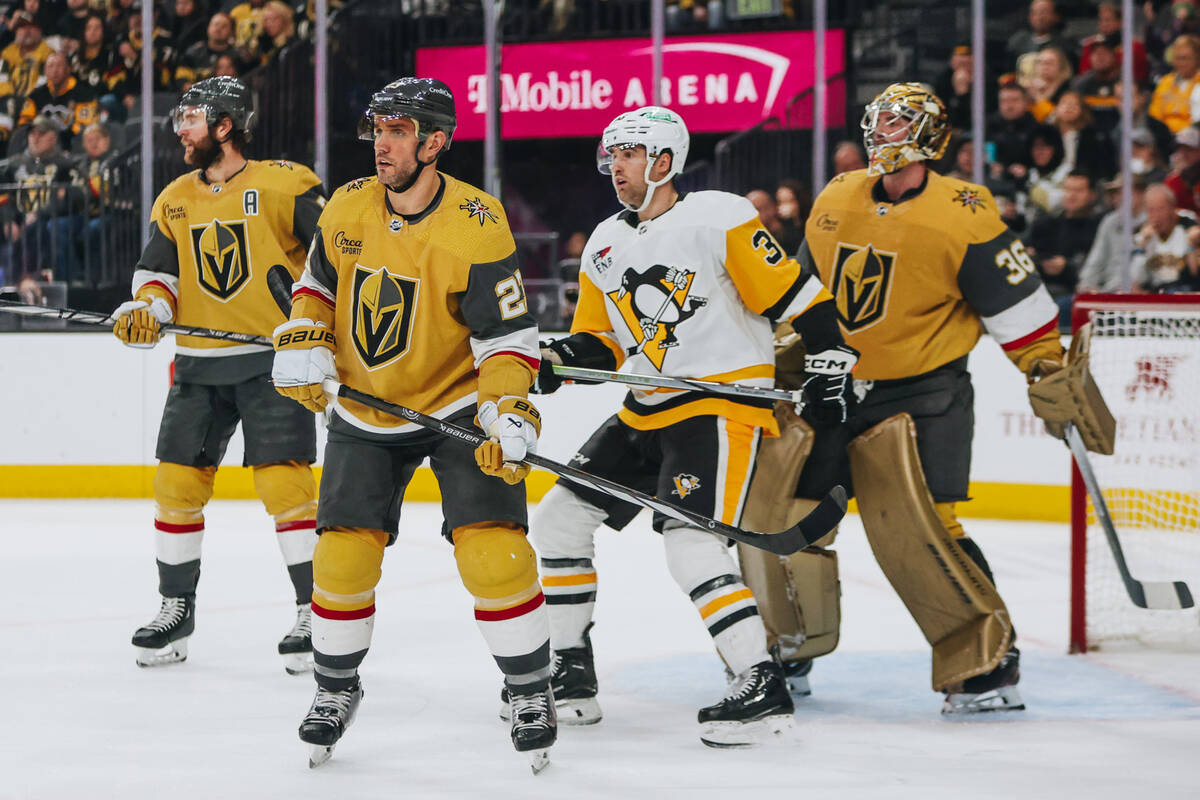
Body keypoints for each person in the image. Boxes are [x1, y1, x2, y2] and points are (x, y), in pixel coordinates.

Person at [741, 83, 1106, 716]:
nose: (884, 131)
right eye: (880, 119)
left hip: (923, 392)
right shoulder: (835, 196)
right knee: (785, 516)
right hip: (831, 387)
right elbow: (800, 294)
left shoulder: (965, 212)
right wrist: (777, 354)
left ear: (931, 139)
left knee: (924, 526)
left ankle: (985, 662)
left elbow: (1021, 314)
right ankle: (789, 649)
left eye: (900, 122)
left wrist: (1043, 367)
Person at [527, 105, 854, 747]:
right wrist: (558, 359)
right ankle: (570, 676)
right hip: (648, 404)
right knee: (560, 519)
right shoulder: (604, 241)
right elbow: (601, 341)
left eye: (628, 153)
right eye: (610, 154)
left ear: (664, 161)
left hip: (719, 405)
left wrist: (829, 358)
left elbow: (795, 296)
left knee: (691, 543)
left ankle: (760, 683)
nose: (614, 165)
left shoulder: (719, 216)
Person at [269, 77, 556, 771]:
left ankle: (529, 690)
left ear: (434, 142)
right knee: (340, 559)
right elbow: (315, 289)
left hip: (457, 407)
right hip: (366, 408)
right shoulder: (345, 206)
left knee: (494, 554)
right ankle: (335, 690)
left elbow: (507, 339)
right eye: (377, 128)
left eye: (397, 131)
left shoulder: (479, 223)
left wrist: (510, 408)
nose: (381, 144)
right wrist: (305, 336)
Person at [109, 77, 326, 676]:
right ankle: (175, 608)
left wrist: (316, 328)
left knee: (284, 487)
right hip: (201, 363)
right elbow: (159, 276)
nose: (181, 128)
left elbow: (338, 261)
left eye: (193, 118)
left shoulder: (290, 183)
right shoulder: (175, 197)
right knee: (176, 485)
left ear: (226, 125)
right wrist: (147, 311)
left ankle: (316, 612)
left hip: (272, 361)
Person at [1025, 170, 1100, 326]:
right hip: (1039, 289)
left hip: (1073, 293)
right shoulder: (1045, 223)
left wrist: (1067, 266)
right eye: (1068, 189)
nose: (1071, 195)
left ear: (1092, 195)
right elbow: (1022, 247)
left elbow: (1096, 268)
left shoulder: (1098, 227)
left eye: (1078, 191)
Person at [1079, 174, 1147, 292]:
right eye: (1115, 193)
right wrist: (1086, 286)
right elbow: (1095, 260)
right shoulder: (1110, 221)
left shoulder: (1151, 222)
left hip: (1137, 293)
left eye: (1123, 192)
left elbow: (1145, 271)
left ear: (1141, 194)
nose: (1117, 197)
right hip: (1106, 291)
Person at [1132, 182, 1200, 290]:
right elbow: (1136, 281)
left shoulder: (1188, 226)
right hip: (1154, 295)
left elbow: (1195, 272)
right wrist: (1141, 248)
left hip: (1184, 291)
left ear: (1172, 208)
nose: (1156, 216)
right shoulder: (1141, 234)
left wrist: (1192, 245)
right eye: (1151, 210)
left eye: (1160, 209)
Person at [1148, 33, 1200, 133]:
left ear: (1197, 59)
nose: (1181, 63)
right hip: (1164, 137)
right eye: (1177, 58)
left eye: (1185, 58)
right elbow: (1155, 115)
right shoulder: (1166, 82)